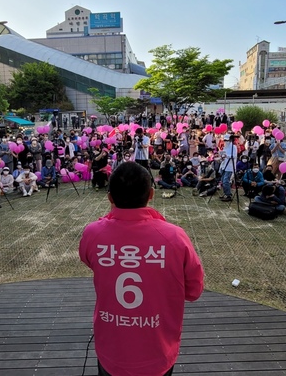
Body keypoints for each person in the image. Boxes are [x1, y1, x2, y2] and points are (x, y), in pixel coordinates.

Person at [79, 162, 204, 376]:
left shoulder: (93, 233)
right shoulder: (174, 237)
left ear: (110, 198)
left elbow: (89, 260)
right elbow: (193, 291)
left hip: (111, 350)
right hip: (158, 351)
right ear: (151, 194)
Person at [219, 133, 237, 202]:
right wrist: (222, 156)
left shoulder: (233, 147)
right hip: (224, 165)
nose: (225, 142)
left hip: (229, 166)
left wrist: (226, 155)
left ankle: (228, 195)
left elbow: (234, 156)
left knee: (226, 181)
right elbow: (224, 155)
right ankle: (226, 193)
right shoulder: (225, 147)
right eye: (225, 140)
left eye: (227, 140)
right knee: (223, 180)